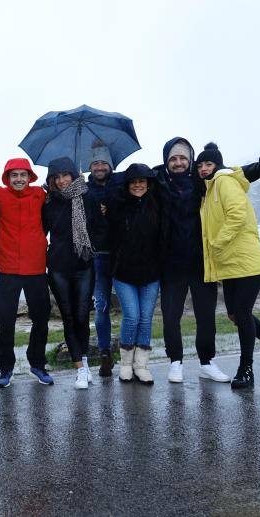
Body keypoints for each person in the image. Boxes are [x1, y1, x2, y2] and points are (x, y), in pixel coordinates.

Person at [155, 138, 260, 384]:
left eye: (183, 158)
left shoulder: (200, 181)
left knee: (206, 316)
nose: (178, 163)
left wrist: (257, 169)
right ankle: (175, 362)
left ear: (189, 161)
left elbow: (227, 174)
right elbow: (127, 184)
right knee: (171, 315)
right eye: (173, 158)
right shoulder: (157, 181)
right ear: (166, 161)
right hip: (171, 263)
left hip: (203, 261)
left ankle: (207, 363)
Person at [197, 142, 260, 389]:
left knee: (242, 315)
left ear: (217, 164)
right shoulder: (210, 189)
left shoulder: (223, 181)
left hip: (246, 262)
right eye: (199, 165)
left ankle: (246, 369)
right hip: (231, 264)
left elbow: (237, 213)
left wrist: (217, 242)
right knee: (235, 314)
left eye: (207, 163)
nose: (202, 168)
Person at [42, 157, 106, 389]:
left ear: (74, 175)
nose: (61, 181)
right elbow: (39, 229)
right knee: (68, 318)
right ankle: (80, 368)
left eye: (65, 175)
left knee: (82, 316)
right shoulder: (49, 202)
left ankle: (86, 363)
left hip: (83, 266)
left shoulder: (88, 197)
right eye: (56, 177)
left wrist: (91, 246)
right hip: (58, 267)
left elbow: (100, 227)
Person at [0, 158, 52, 387]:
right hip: (7, 268)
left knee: (41, 318)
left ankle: (37, 364)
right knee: (6, 321)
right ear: (7, 178)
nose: (18, 179)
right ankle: (5, 369)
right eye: (14, 175)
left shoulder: (40, 195)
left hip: (36, 267)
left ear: (30, 177)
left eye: (23, 175)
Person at [106, 163, 166, 384]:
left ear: (149, 184)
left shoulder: (157, 204)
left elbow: (163, 180)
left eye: (143, 181)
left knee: (146, 319)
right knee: (132, 317)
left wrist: (155, 172)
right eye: (134, 181)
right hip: (123, 272)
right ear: (127, 184)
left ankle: (141, 365)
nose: (138, 185)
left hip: (151, 272)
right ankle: (125, 364)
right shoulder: (117, 204)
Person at [84, 142, 120, 376]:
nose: (99, 167)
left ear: (110, 165)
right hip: (96, 257)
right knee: (101, 309)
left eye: (103, 163)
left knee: (129, 308)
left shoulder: (121, 184)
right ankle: (105, 354)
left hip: (121, 255)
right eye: (95, 163)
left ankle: (130, 354)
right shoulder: (83, 189)